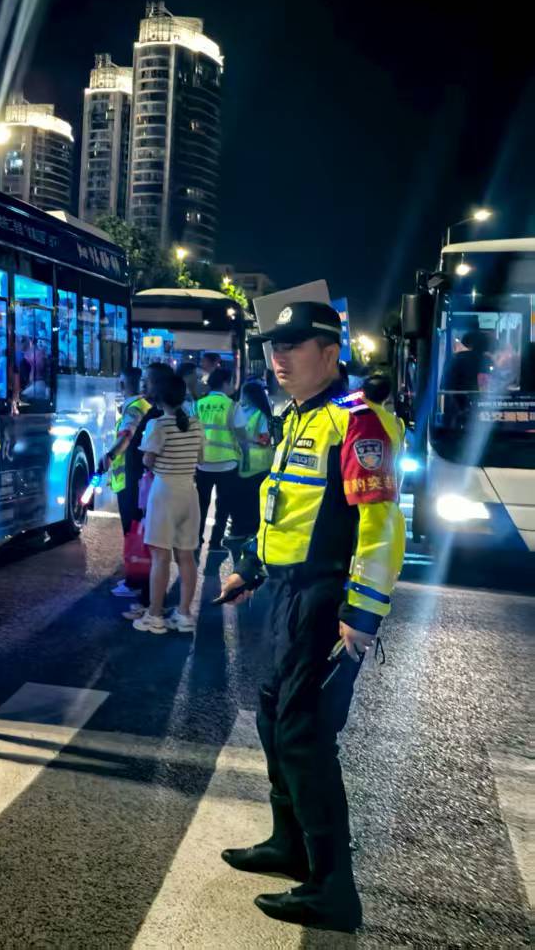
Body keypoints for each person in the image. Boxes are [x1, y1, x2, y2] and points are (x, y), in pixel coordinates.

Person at [218, 302, 404, 931]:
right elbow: (286, 510)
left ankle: (333, 889)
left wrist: (362, 612)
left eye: (294, 345)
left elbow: (380, 525)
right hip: (287, 593)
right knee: (274, 714)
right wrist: (252, 566)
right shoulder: (298, 416)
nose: (279, 356)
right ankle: (289, 843)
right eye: (275, 345)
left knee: (305, 734)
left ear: (330, 352)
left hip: (327, 599)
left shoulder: (357, 421)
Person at [133, 363, 203, 633]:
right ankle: (184, 614)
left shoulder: (157, 424)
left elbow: (148, 460)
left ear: (160, 399)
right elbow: (201, 458)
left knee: (160, 557)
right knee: (186, 555)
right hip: (189, 492)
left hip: (164, 492)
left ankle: (154, 616)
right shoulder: (195, 424)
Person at [98, 365, 153, 604]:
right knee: (138, 532)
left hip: (130, 481)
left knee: (132, 534)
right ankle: (138, 581)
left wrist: (109, 456)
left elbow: (126, 436)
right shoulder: (144, 406)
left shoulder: (133, 409)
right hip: (138, 479)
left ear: (122, 384)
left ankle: (134, 582)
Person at [227, 377, 277, 566]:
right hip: (244, 465)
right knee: (245, 502)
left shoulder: (260, 414)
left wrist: (246, 439)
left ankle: (250, 538)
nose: (241, 397)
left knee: (253, 502)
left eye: (244, 394)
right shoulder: (238, 411)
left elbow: (265, 438)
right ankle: (243, 534)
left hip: (257, 466)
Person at [196, 367, 239, 549]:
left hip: (202, 463)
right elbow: (241, 434)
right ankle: (215, 542)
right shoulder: (232, 406)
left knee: (201, 504)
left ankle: (196, 539)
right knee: (223, 506)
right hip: (227, 464)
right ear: (225, 383)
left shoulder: (198, 404)